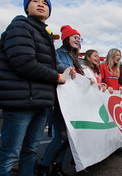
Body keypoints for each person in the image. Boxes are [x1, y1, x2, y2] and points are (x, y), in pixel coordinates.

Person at [0, 0, 66, 176]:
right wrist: (57, 77)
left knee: (30, 152)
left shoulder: (45, 35)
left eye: (45, 2)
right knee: (10, 155)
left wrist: (64, 73)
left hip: (41, 102)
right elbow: (24, 64)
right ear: (27, 7)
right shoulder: (20, 26)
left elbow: (43, 65)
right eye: (34, 1)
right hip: (20, 102)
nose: (40, 4)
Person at [37, 25, 83, 176]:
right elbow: (55, 69)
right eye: (75, 37)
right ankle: (44, 168)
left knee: (67, 138)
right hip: (59, 101)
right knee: (60, 136)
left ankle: (57, 168)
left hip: (71, 101)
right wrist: (66, 70)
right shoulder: (57, 54)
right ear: (66, 39)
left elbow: (80, 77)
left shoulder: (74, 57)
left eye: (79, 38)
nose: (78, 40)